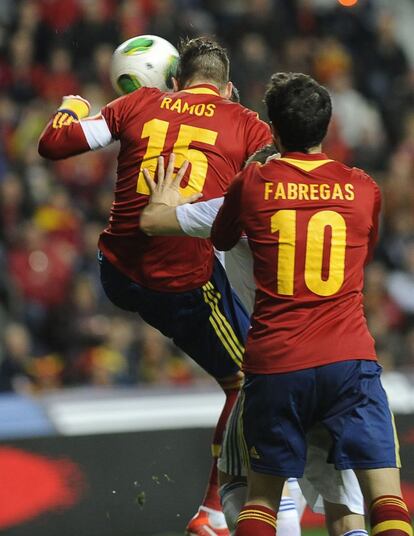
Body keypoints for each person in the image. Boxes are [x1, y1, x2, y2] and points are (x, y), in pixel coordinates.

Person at [38, 37, 273, 536]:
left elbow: (54, 144)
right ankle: (212, 511)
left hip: (117, 273)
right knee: (248, 381)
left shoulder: (136, 103)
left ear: (174, 82)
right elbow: (275, 188)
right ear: (228, 90)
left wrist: (71, 106)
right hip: (181, 284)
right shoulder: (248, 125)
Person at [210, 72, 412, 536]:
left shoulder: (254, 182)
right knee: (386, 500)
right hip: (348, 361)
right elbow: (364, 248)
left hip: (278, 362)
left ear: (275, 131)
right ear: (326, 127)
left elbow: (222, 238)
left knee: (261, 500)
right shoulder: (363, 187)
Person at [140, 148, 369, 536]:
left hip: (274, 367)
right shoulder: (344, 200)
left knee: (246, 488)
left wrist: (167, 199)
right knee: (348, 504)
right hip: (339, 365)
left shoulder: (238, 207)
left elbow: (152, 222)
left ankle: (211, 513)